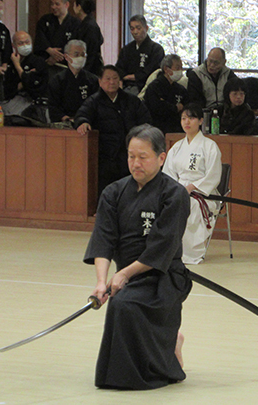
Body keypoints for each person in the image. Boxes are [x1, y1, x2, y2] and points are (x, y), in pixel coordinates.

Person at [85, 123, 192, 390]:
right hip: (129, 276)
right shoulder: (113, 192)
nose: (136, 163)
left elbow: (162, 247)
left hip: (163, 275)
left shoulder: (175, 194)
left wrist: (123, 274)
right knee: (123, 302)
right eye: (131, 156)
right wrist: (101, 281)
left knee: (125, 304)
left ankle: (161, 361)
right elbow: (103, 240)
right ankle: (160, 349)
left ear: (161, 158)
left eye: (143, 157)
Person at [74, 65, 152, 195]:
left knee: (130, 189)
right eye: (108, 79)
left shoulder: (131, 100)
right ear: (100, 81)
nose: (112, 82)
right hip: (105, 154)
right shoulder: (94, 101)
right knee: (106, 191)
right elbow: (82, 115)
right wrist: (83, 122)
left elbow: (146, 120)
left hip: (129, 152)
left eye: (115, 78)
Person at [162, 103, 222, 264]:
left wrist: (191, 187)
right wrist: (176, 190)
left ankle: (189, 253)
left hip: (202, 193)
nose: (187, 122)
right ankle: (169, 251)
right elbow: (168, 174)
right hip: (179, 190)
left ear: (201, 120)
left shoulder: (210, 146)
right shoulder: (176, 147)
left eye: (191, 118)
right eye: (183, 118)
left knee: (190, 206)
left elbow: (213, 175)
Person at [0, 31, 49, 125]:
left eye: (27, 42)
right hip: (13, 99)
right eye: (21, 43)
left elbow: (33, 86)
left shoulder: (39, 61)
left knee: (10, 118)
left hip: (30, 100)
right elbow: (8, 88)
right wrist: (23, 80)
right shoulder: (11, 64)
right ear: (14, 46)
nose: (25, 45)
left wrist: (18, 66)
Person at [47, 40, 99, 123]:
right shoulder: (57, 80)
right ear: (66, 57)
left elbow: (96, 105)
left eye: (83, 55)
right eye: (76, 54)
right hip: (65, 123)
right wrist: (66, 119)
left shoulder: (93, 80)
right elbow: (53, 107)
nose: (80, 58)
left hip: (87, 122)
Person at [115, 15, 165, 94]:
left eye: (138, 28)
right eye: (132, 29)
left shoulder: (156, 49)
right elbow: (119, 68)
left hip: (146, 87)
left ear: (146, 28)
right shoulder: (127, 49)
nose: (135, 32)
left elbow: (152, 71)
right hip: (126, 85)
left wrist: (130, 77)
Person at [33, 0, 81, 79]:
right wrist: (49, 50)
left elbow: (76, 45)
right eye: (52, 4)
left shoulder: (76, 23)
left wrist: (57, 56)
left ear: (66, 4)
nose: (53, 7)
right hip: (46, 64)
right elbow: (40, 39)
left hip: (66, 66)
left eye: (57, 4)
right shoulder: (44, 20)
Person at [144, 54, 189, 134]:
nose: (180, 71)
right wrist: (175, 108)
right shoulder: (154, 87)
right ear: (166, 69)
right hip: (158, 129)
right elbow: (157, 108)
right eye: (177, 68)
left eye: (181, 68)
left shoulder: (180, 89)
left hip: (178, 128)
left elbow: (186, 106)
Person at [72, 0, 104, 75]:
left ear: (79, 7)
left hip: (90, 70)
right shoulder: (85, 23)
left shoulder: (90, 26)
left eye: (74, 5)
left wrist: (83, 72)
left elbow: (91, 52)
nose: (73, 7)